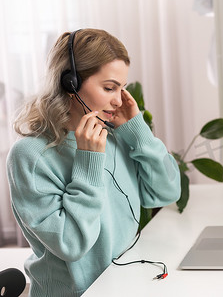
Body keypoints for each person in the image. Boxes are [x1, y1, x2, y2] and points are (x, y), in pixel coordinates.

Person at [6, 28, 181, 296]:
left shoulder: (114, 134)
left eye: (122, 88)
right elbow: (71, 244)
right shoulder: (30, 155)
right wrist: (88, 161)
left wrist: (139, 132)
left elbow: (165, 193)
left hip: (125, 283)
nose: (119, 99)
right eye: (109, 87)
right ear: (71, 84)